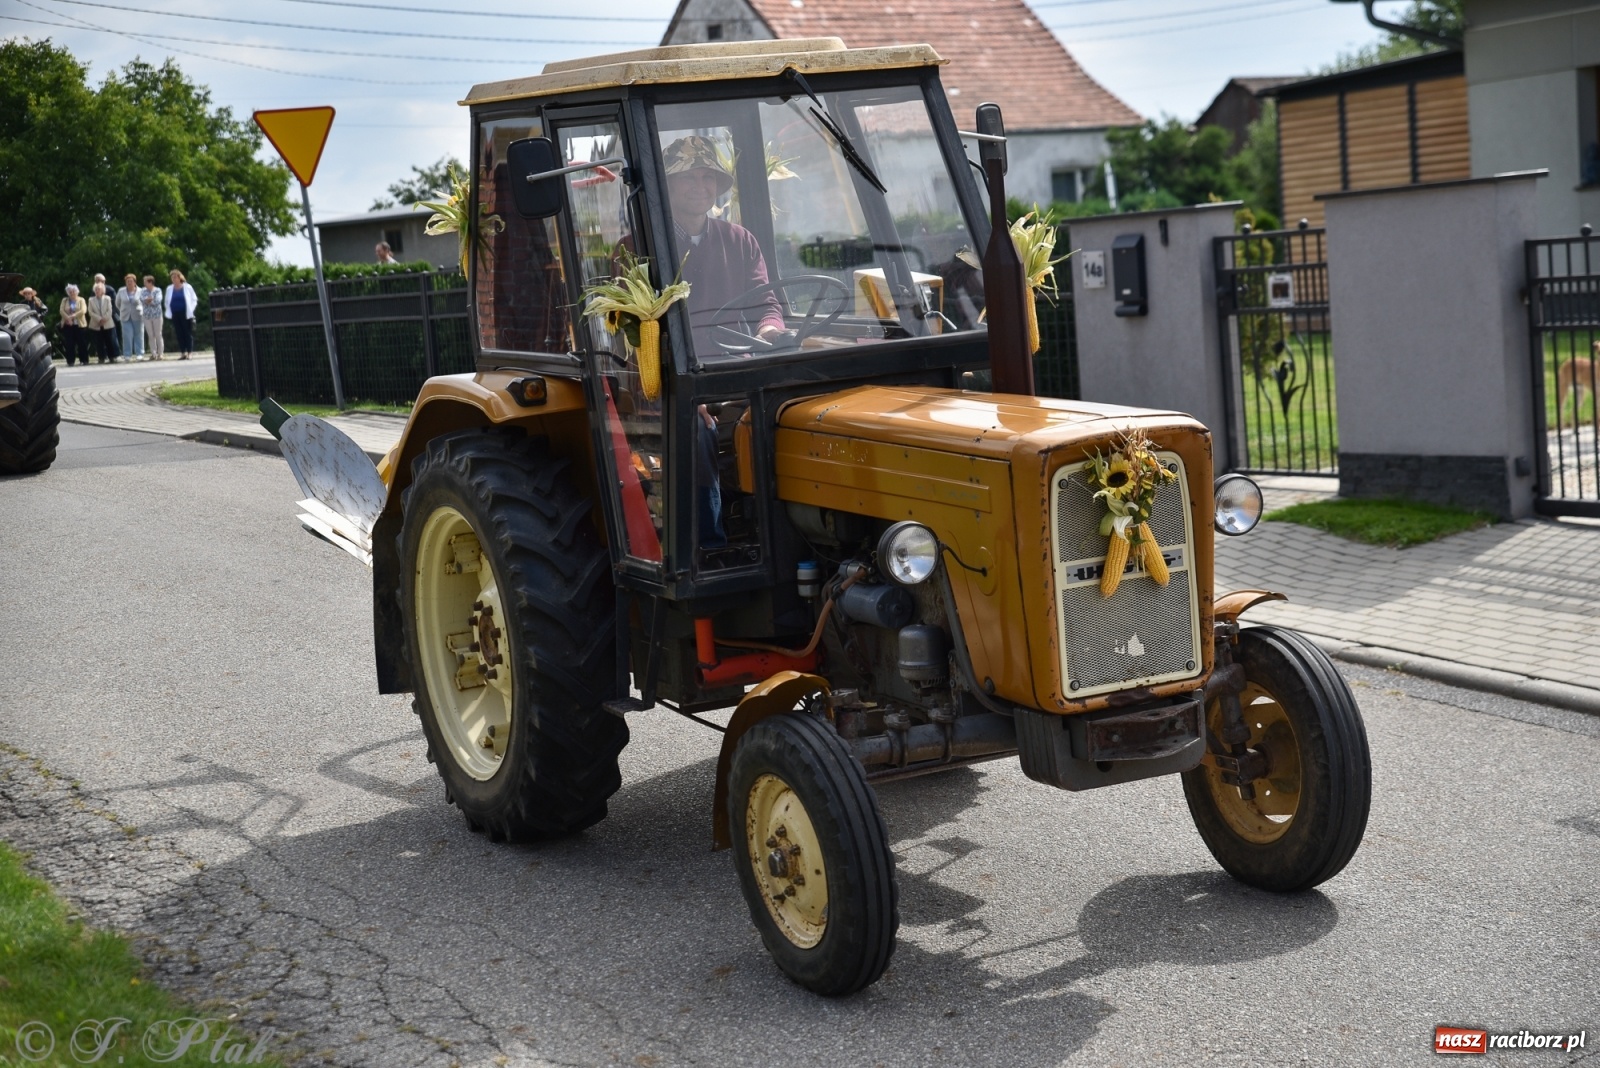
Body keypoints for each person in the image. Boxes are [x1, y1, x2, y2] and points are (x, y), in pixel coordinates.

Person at [660, 135, 785, 356]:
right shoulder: (637, 247)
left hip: (735, 365)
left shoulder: (740, 240)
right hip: (674, 372)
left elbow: (764, 304)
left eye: (708, 177)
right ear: (667, 184)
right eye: (688, 177)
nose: (700, 186)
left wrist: (769, 329)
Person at [165, 269, 198, 359]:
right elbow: (167, 301)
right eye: (172, 278)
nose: (174, 279)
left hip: (186, 313)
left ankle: (190, 352)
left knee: (187, 332)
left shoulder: (187, 287)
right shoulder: (169, 288)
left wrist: (191, 309)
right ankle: (183, 352)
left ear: (180, 278)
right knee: (179, 333)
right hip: (175, 313)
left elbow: (194, 299)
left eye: (175, 277)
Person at [86, 280, 117, 364]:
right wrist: (99, 319)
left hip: (107, 323)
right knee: (99, 342)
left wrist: (104, 319)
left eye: (99, 289)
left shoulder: (107, 298)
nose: (97, 291)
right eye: (96, 289)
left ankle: (112, 357)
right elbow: (90, 312)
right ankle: (101, 358)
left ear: (102, 290)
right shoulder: (91, 300)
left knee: (109, 341)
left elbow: (109, 310)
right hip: (96, 324)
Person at [115, 274, 145, 360]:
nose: (129, 283)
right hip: (125, 316)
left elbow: (144, 302)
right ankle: (127, 354)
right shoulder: (121, 291)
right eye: (127, 281)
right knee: (126, 336)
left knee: (139, 335)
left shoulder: (141, 291)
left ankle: (140, 353)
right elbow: (117, 303)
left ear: (135, 282)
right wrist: (123, 310)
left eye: (131, 281)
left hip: (138, 315)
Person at [58, 284, 87, 366]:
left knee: (82, 343)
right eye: (70, 292)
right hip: (68, 325)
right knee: (69, 344)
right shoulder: (64, 300)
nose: (72, 293)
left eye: (73, 291)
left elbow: (83, 310)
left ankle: (84, 360)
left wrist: (74, 316)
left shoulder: (81, 300)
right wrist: (68, 318)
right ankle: (70, 361)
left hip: (79, 324)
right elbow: (61, 311)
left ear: (77, 292)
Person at [139, 275, 164, 361]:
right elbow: (141, 299)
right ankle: (153, 353)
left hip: (157, 315)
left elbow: (158, 301)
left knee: (158, 334)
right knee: (150, 335)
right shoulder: (143, 290)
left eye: (146, 282)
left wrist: (149, 301)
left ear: (150, 282)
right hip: (147, 316)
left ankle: (160, 353)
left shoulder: (157, 290)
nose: (144, 284)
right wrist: (149, 300)